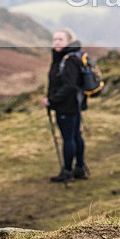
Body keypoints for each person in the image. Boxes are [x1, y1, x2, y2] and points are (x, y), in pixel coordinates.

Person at [43, 28, 88, 183]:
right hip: (73, 104)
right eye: (54, 39)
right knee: (76, 136)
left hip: (66, 106)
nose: (56, 42)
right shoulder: (68, 57)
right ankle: (79, 168)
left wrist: (52, 100)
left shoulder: (68, 60)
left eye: (60, 40)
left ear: (68, 41)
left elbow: (69, 86)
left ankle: (68, 171)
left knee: (69, 138)